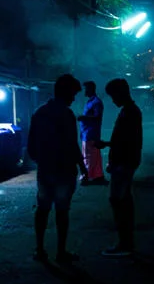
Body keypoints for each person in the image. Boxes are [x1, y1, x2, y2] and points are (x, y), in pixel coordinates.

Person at [27, 74, 87, 264]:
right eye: (73, 94)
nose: (74, 98)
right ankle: (61, 252)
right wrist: (81, 166)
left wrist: (43, 160)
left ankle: (40, 249)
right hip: (64, 170)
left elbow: (30, 146)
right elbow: (72, 143)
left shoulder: (40, 113)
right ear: (66, 92)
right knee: (62, 211)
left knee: (43, 209)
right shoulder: (66, 114)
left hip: (46, 170)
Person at [94, 78, 143, 256]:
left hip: (124, 162)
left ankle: (125, 243)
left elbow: (126, 141)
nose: (112, 100)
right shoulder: (130, 111)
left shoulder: (129, 112)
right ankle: (126, 242)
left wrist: (110, 149)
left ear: (120, 93)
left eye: (113, 96)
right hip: (125, 161)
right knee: (123, 200)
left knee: (119, 200)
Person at [77, 81, 107, 186]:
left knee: (88, 156)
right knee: (94, 156)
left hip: (91, 134)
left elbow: (98, 117)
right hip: (87, 133)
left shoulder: (96, 102)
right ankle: (97, 175)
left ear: (91, 89)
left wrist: (83, 118)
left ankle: (87, 176)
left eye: (86, 88)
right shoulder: (91, 102)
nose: (84, 91)